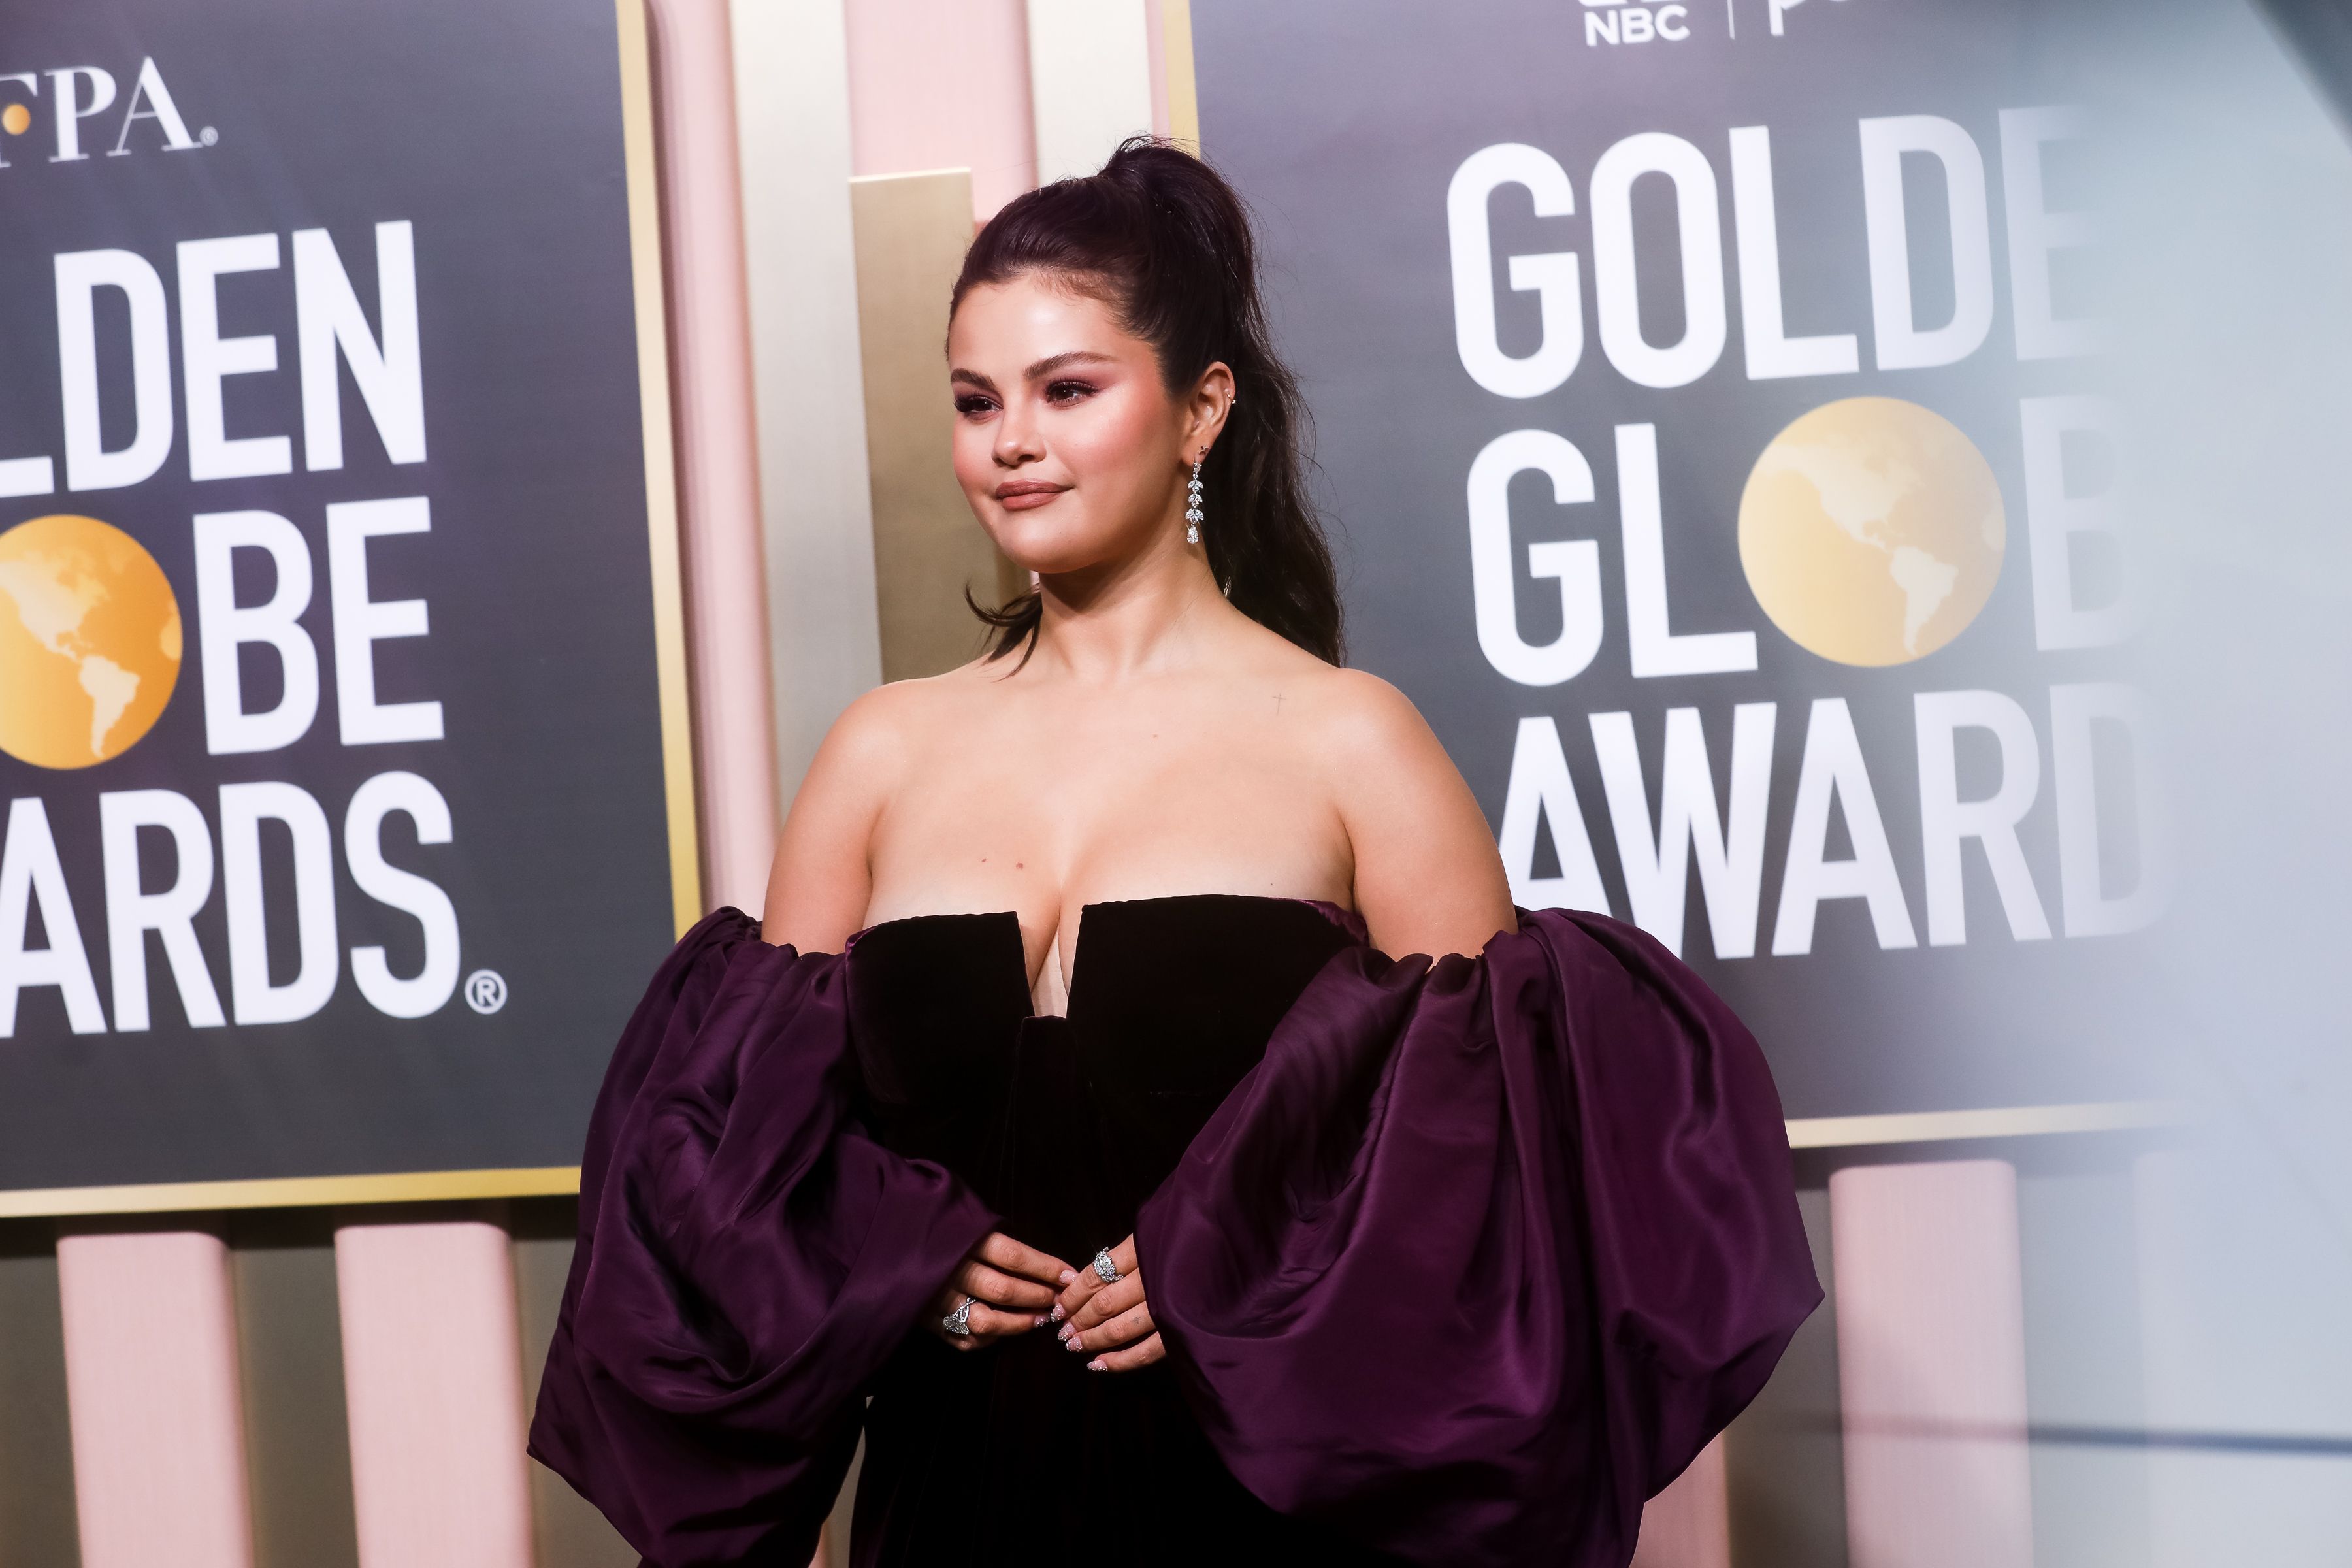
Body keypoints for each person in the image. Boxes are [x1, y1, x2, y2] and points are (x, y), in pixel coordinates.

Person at [531, 139, 1819, 1568]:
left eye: (1068, 390)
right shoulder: (878, 754)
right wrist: (897, 1268)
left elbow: (1496, 1198)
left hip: (1263, 1514)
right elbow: (735, 1164)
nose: (1011, 442)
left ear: (1201, 409)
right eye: (976, 401)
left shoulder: (1353, 743)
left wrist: (1237, 1264)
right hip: (953, 1503)